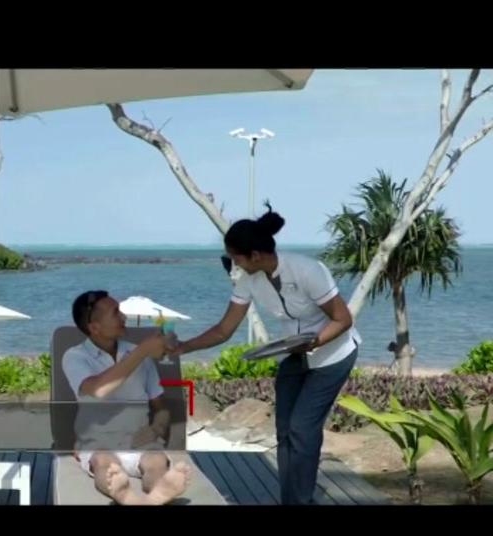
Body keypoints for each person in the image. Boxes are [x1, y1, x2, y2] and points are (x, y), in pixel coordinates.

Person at [170, 204, 360, 505]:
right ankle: (292, 499)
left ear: (255, 255)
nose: (233, 265)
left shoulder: (308, 271)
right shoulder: (249, 280)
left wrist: (314, 342)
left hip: (333, 355)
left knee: (302, 429)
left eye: (235, 259)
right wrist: (184, 347)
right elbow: (223, 330)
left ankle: (301, 500)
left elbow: (343, 319)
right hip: (294, 353)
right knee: (284, 430)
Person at [62, 290, 193, 505]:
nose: (123, 317)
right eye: (116, 313)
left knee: (157, 462)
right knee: (104, 462)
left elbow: (161, 408)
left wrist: (155, 429)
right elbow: (98, 389)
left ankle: (152, 496)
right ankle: (125, 494)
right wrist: (143, 351)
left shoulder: (137, 354)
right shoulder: (75, 357)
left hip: (139, 441)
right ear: (94, 328)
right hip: (99, 443)